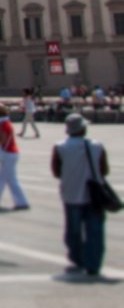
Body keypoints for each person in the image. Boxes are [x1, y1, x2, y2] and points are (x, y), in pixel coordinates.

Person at [52, 112, 109, 278]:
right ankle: (93, 264)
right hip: (94, 194)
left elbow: (56, 171)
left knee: (73, 230)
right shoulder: (97, 146)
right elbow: (104, 170)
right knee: (95, 231)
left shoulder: (60, 147)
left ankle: (78, 258)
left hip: (71, 193)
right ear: (83, 129)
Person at [0, 103, 30, 211]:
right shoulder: (4, 122)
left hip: (8, 154)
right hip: (10, 153)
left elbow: (2, 140)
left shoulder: (2, 124)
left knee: (11, 180)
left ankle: (22, 202)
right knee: (1, 178)